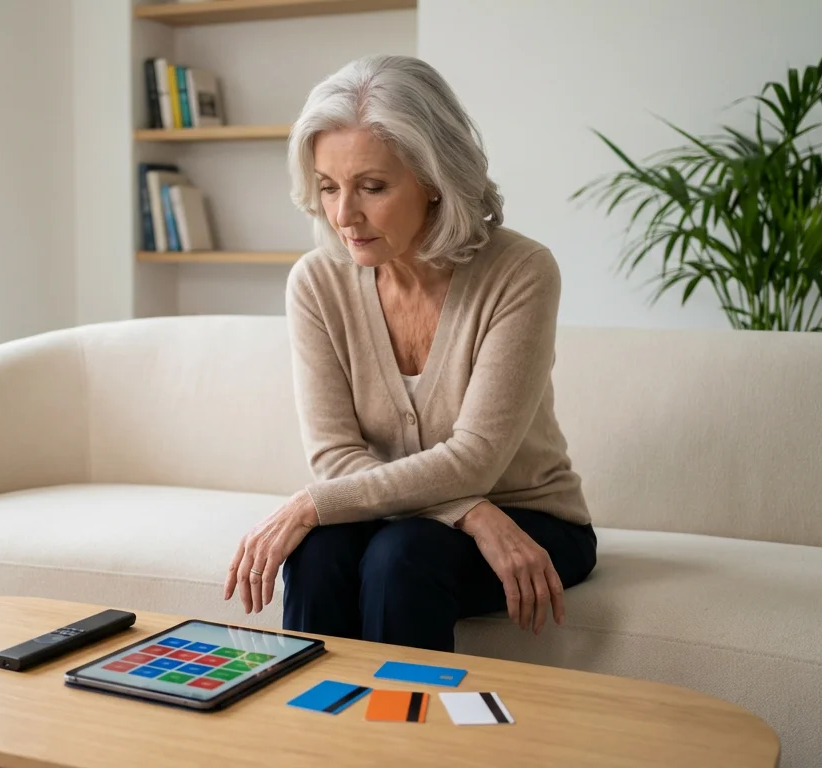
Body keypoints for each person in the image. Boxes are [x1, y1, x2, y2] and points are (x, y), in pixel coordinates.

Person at [221, 55, 597, 652]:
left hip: (529, 516)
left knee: (402, 556)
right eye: (328, 187)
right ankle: (312, 738)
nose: (344, 215)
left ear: (434, 178)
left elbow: (475, 457)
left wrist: (314, 504)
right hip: (435, 514)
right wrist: (470, 512)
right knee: (317, 551)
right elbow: (336, 455)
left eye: (372, 187)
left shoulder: (521, 271)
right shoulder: (317, 282)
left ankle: (404, 742)